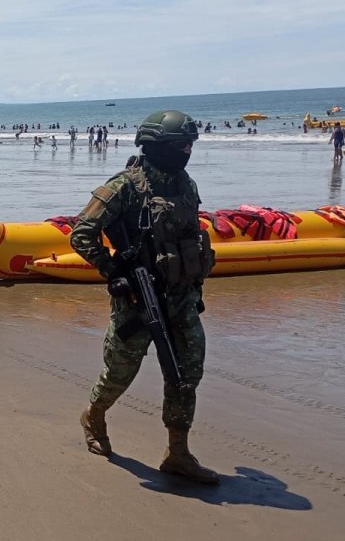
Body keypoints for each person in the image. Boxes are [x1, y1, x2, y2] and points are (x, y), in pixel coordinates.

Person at [70, 110, 219, 485]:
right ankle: (94, 414)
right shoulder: (125, 187)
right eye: (180, 145)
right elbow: (81, 234)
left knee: (186, 374)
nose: (187, 150)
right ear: (158, 147)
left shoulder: (186, 185)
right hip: (139, 299)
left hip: (182, 299)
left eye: (190, 145)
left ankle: (178, 453)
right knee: (120, 372)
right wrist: (114, 270)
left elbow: (188, 238)